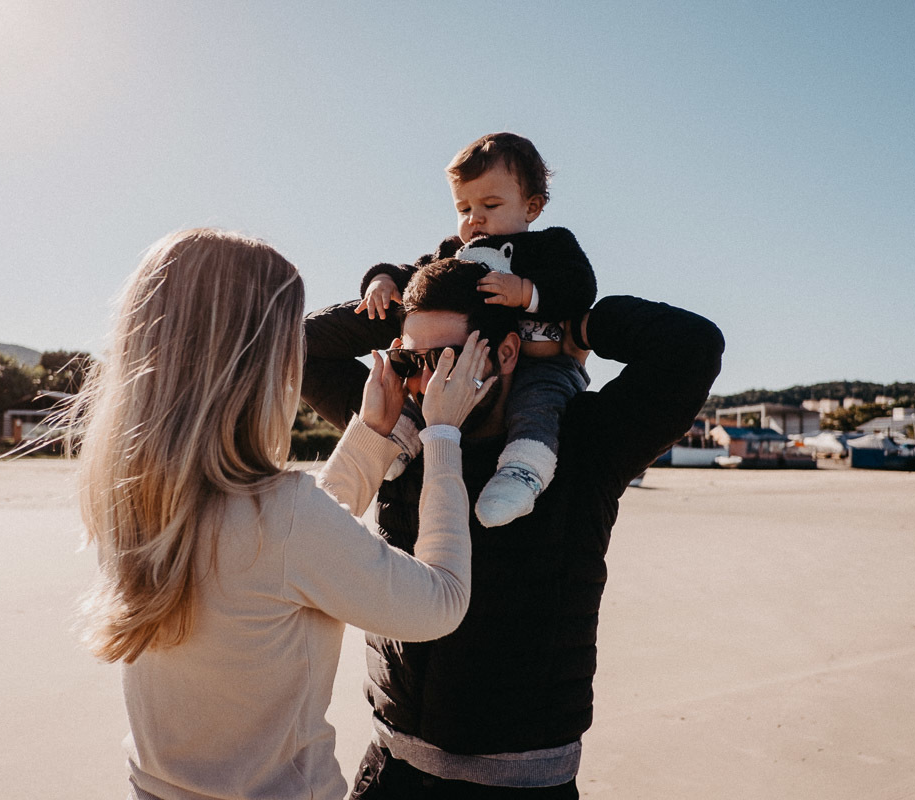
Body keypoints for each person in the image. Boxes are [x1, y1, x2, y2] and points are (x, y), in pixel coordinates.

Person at [73, 228, 497, 800]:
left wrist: (373, 435)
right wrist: (443, 435)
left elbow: (280, 555)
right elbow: (440, 601)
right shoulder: (283, 517)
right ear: (257, 362)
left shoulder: (134, 498)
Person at [302, 259, 725, 797]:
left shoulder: (582, 443)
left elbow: (693, 346)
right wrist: (397, 306)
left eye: (445, 359)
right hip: (389, 765)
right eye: (412, 360)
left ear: (505, 352)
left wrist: (575, 324)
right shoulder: (398, 426)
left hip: (522, 782)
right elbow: (302, 346)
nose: (426, 383)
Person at [356, 132, 596, 527]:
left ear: (532, 207)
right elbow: (416, 276)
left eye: (491, 205)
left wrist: (527, 292)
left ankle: (522, 471)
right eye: (463, 207)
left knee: (538, 408)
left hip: (546, 365)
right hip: (482, 359)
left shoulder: (550, 247)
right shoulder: (455, 253)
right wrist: (381, 279)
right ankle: (399, 440)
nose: (475, 218)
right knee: (428, 378)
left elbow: (580, 287)